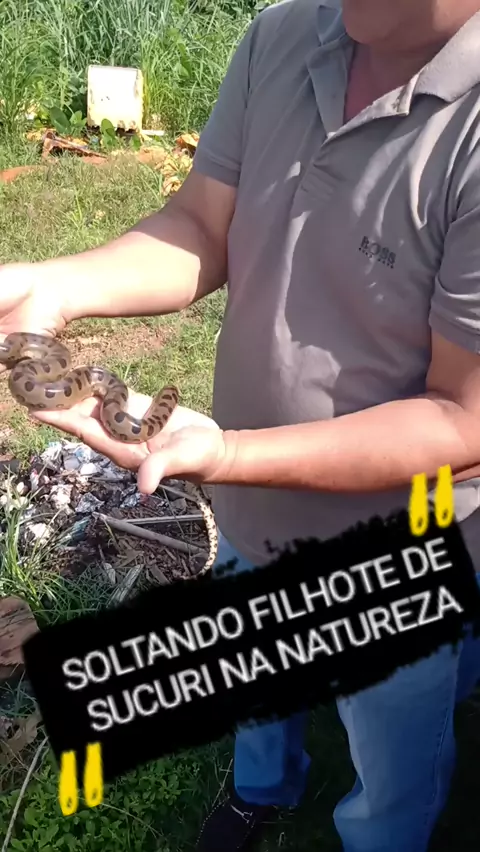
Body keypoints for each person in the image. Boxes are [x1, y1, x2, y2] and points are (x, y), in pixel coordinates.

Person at [3, 0, 480, 848]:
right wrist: (55, 284)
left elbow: (461, 418)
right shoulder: (284, 34)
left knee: (392, 747)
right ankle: (263, 789)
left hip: (402, 545)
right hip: (252, 508)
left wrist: (230, 451)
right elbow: (201, 224)